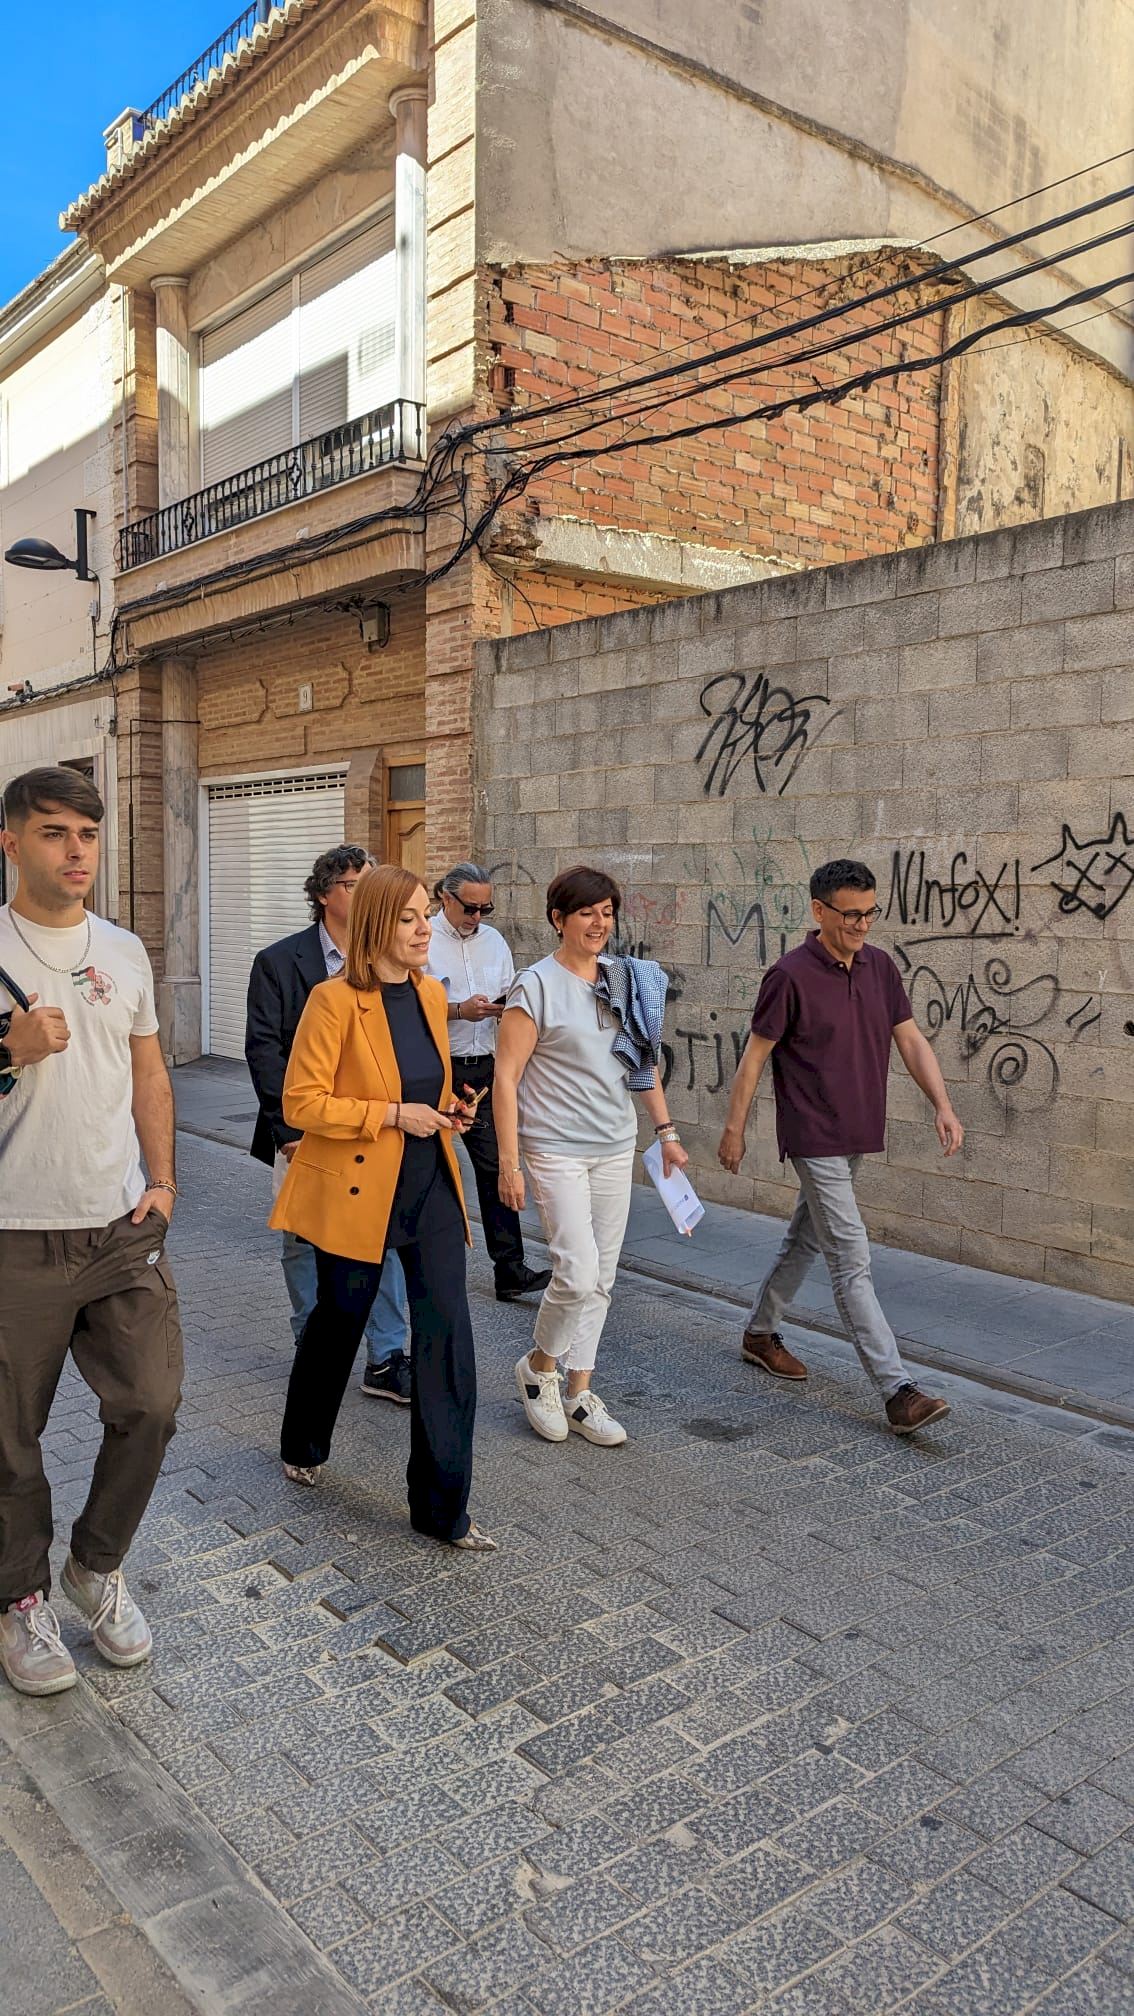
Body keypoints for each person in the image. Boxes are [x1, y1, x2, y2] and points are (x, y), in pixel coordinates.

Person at [0, 765, 182, 1696]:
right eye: (53, 833)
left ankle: (94, 1565)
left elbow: (148, 1072)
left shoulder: (123, 949)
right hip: (12, 1232)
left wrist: (163, 1180)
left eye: (88, 834)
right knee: (9, 1437)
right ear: (11, 843)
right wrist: (7, 1047)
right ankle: (20, 1597)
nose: (76, 852)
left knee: (151, 1402)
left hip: (118, 1227)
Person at [272, 864, 494, 1550]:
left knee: (446, 1337)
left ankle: (442, 1509)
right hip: (358, 1190)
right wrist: (393, 1114)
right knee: (339, 1320)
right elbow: (301, 1102)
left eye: (426, 914)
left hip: (429, 1184)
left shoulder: (430, 992)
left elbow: (428, 1081)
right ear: (374, 924)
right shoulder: (333, 1001)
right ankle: (303, 1440)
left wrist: (450, 1107)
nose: (426, 928)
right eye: (409, 918)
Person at [718, 857, 962, 1434]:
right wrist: (734, 1129)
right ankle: (897, 1390)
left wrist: (943, 1104)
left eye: (870, 913)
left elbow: (911, 1040)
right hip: (814, 1134)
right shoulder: (789, 975)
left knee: (806, 1235)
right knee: (851, 1258)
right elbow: (754, 1058)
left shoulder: (881, 967)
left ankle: (759, 1333)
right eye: (850, 915)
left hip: (857, 1131)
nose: (861, 925)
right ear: (819, 910)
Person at [494, 864, 686, 1450]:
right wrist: (509, 1163)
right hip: (554, 1148)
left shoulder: (624, 980)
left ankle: (579, 1392)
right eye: (586, 913)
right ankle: (539, 1369)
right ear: (559, 919)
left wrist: (666, 1131)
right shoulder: (535, 986)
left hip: (614, 1146)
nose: (599, 923)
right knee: (575, 1273)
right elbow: (506, 1078)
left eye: (607, 913)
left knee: (601, 1278)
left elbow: (642, 1062)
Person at [246, 846, 411, 1403]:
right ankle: (313, 1344)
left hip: (373, 1128)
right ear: (322, 895)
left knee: (382, 1240)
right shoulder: (279, 961)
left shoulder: (390, 960)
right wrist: (288, 1132)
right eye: (352, 885)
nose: (364, 896)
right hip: (306, 1130)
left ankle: (387, 1357)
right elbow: (264, 1051)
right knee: (303, 1241)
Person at [427, 863, 551, 1304]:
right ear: (446, 898)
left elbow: (508, 991)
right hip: (435, 1068)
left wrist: (506, 1006)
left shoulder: (494, 941)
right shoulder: (422, 938)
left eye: (486, 909)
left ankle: (510, 1270)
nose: (477, 917)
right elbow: (407, 1004)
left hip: (483, 1068)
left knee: (497, 1165)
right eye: (470, 908)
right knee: (429, 1167)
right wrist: (458, 1011)